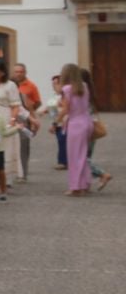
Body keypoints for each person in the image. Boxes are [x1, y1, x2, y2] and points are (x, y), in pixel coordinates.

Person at [0, 63, 24, 191]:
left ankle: (5, 178)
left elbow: (16, 105)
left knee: (5, 147)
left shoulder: (10, 85)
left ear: (3, 73)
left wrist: (12, 120)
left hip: (4, 115)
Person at [62, 63, 95, 195]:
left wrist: (56, 121)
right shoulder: (84, 86)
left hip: (75, 123)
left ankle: (76, 186)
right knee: (83, 154)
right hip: (86, 121)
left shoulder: (67, 89)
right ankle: (85, 183)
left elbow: (66, 109)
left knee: (74, 156)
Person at [13, 63, 43, 181]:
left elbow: (38, 102)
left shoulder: (31, 86)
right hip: (13, 118)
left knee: (23, 147)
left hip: (25, 118)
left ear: (25, 72)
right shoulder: (11, 85)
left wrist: (31, 113)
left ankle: (23, 173)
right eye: (16, 71)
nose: (18, 74)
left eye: (21, 71)